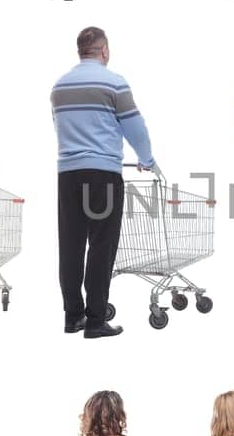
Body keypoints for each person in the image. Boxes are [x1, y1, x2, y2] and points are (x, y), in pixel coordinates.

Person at [50, 26, 155, 339]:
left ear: (80, 50)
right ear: (104, 50)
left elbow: (59, 126)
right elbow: (135, 127)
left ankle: (72, 316)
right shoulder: (114, 83)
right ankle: (96, 320)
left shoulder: (59, 86)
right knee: (101, 245)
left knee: (70, 245)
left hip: (68, 174)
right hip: (103, 175)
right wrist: (146, 159)